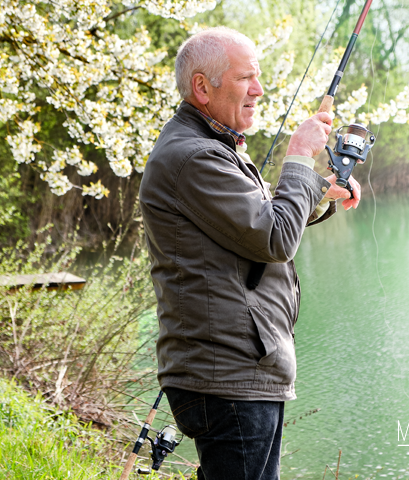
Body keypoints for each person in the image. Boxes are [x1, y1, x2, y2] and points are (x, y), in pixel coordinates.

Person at [139, 26, 360, 480]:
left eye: (257, 78)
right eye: (245, 79)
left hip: (240, 371)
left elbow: (252, 226)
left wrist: (317, 192)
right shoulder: (194, 157)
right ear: (202, 87)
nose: (258, 90)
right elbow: (274, 237)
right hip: (229, 376)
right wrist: (299, 156)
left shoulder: (211, 149)